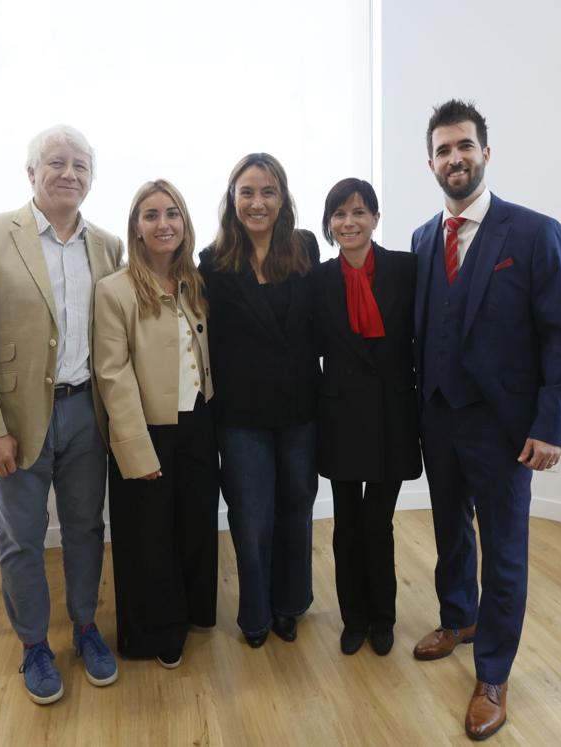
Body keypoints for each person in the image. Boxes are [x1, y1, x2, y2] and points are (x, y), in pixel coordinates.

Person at [411, 100, 561, 739]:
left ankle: (493, 672)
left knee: (504, 553)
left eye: (464, 146)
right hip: (440, 418)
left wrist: (552, 424)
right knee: (450, 533)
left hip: (507, 429)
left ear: (486, 152)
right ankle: (458, 618)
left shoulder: (535, 233)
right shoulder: (426, 237)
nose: (454, 158)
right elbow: (425, 331)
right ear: (429, 162)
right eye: (442, 149)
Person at [0, 125, 123, 705]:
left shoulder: (107, 246)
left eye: (80, 165)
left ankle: (86, 628)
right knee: (21, 539)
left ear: (90, 178)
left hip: (85, 414)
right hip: (18, 424)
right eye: (56, 162)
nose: (69, 173)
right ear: (31, 172)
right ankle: (33, 646)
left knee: (86, 530)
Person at [93, 179, 218, 669]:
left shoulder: (195, 283)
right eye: (151, 215)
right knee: (149, 537)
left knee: (194, 525)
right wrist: (133, 448)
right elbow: (112, 374)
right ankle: (155, 632)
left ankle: (192, 613)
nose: (163, 223)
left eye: (172, 213)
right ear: (136, 228)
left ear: (184, 224)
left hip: (199, 424)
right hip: (148, 429)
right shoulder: (115, 290)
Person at [198, 153, 321, 648]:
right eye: (247, 192)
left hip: (299, 411)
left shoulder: (306, 247)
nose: (257, 202)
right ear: (232, 200)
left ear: (282, 197)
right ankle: (255, 614)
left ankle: (290, 604)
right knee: (250, 518)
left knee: (297, 509)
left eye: (267, 191)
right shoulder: (211, 261)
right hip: (242, 415)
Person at [310, 178, 421, 657]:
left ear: (376, 218)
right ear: (330, 225)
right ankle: (353, 618)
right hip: (340, 417)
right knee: (346, 524)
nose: (348, 222)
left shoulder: (406, 269)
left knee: (378, 523)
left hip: (393, 415)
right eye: (339, 214)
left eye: (358, 212)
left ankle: (384, 617)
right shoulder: (317, 279)